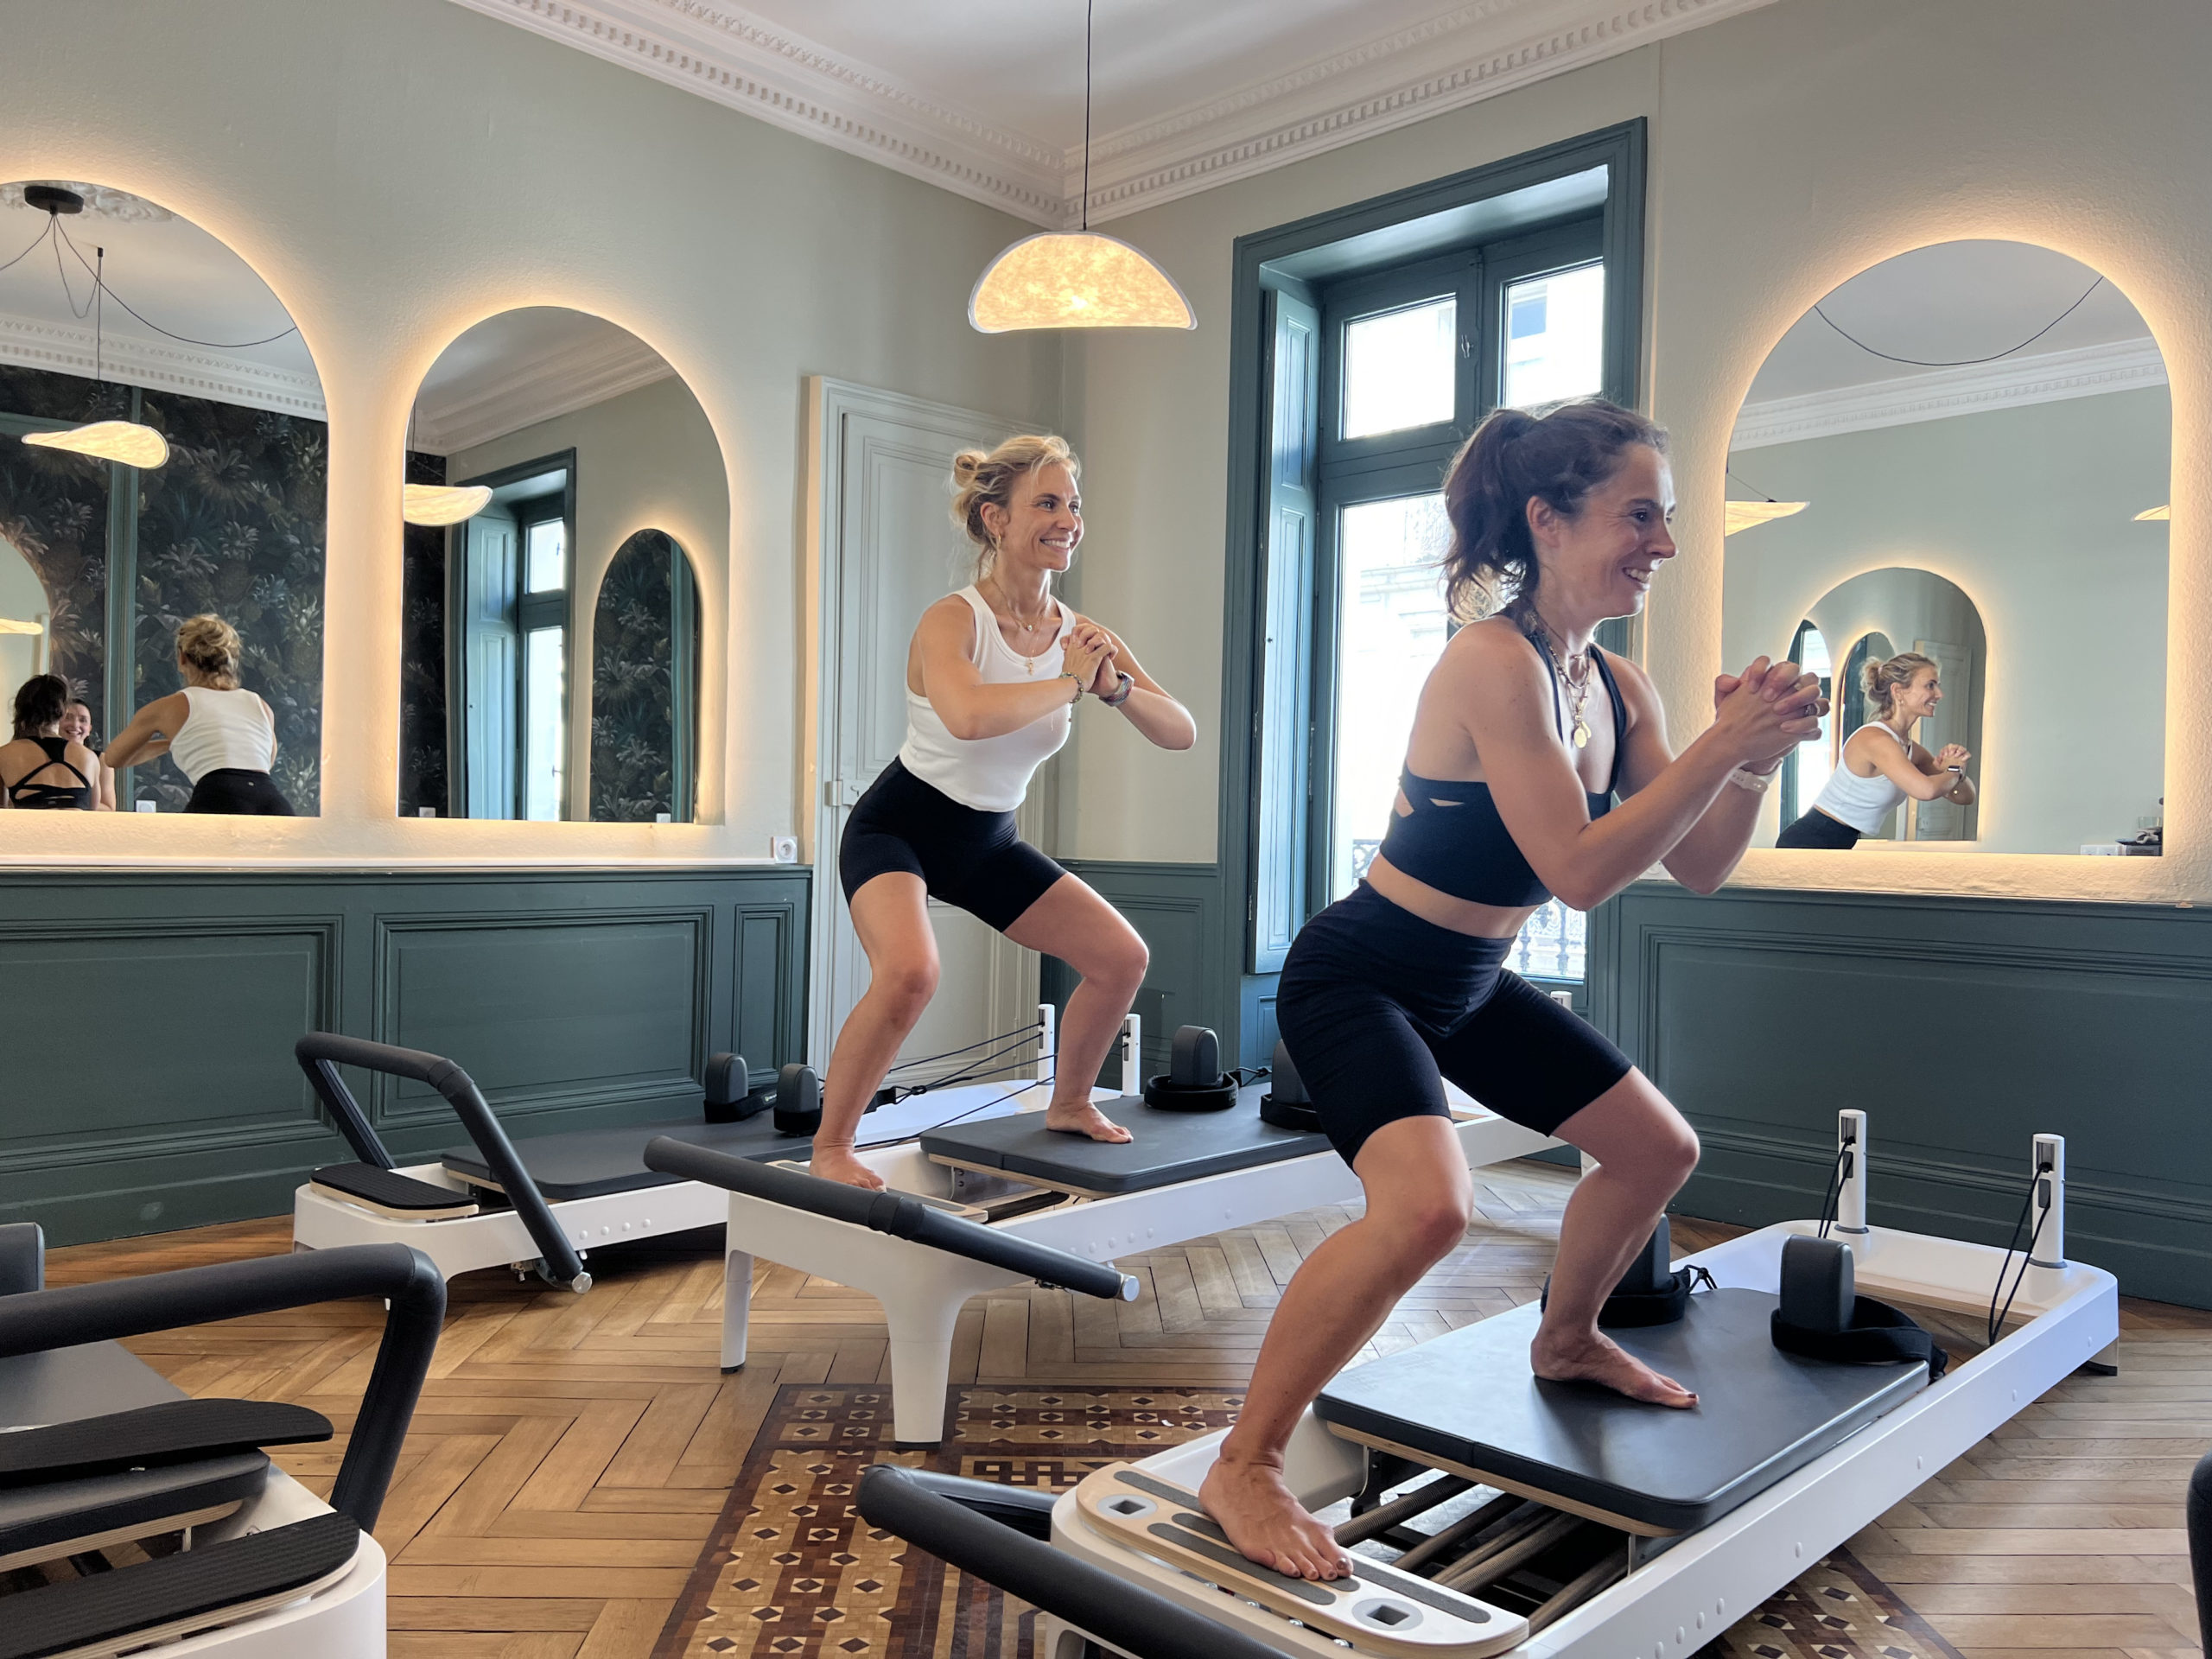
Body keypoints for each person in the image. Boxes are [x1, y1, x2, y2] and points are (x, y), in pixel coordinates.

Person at [1197, 401, 1827, 1580]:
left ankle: (1568, 1339)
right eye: (1640, 515)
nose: (1664, 544)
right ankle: (1247, 1460)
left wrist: (1747, 761)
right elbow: (1580, 875)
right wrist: (1718, 746)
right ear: (1547, 519)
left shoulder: (1620, 688)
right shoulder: (1492, 661)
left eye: (1667, 518)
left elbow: (1698, 866)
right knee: (1427, 1208)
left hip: (1470, 981)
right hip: (1363, 973)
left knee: (1656, 1150)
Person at [816, 435, 1197, 1191]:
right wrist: (1069, 683)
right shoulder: (952, 621)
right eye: (1048, 504)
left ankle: (1071, 1103)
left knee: (1121, 959)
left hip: (987, 842)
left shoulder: (1083, 635)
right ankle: (832, 1147)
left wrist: (1113, 687)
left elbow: (1179, 730)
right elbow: (966, 717)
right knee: (911, 974)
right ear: (996, 519)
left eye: (1074, 505)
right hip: (900, 827)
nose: (1068, 520)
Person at [1776, 652, 1974, 849]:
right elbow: (1926, 790)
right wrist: (1952, 770)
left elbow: (1964, 797)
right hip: (1809, 840)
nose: (1939, 694)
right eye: (1930, 685)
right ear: (1898, 692)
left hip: (1839, 841)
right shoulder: (1875, 740)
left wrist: (1956, 770)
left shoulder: (1910, 749)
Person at [103, 614, 296, 815]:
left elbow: (114, 758)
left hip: (219, 797)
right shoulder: (260, 705)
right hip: (273, 803)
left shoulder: (171, 706)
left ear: (182, 658)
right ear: (231, 660)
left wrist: (169, 743)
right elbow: (266, 761)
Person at [1, 674, 100, 810]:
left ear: (21, 709)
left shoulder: (5, 755)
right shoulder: (89, 758)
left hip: (31, 829)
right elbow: (96, 817)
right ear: (63, 711)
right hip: (75, 830)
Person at [59, 696, 117, 811]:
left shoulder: (102, 761)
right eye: (68, 718)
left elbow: (109, 809)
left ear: (89, 729)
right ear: (57, 723)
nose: (75, 725)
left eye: (83, 720)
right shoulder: (44, 756)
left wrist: (74, 800)